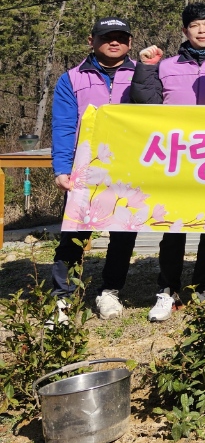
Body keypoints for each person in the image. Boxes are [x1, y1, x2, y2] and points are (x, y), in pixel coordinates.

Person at [131, 2, 205, 321]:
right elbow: (146, 104)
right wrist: (145, 68)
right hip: (176, 159)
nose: (202, 30)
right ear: (185, 30)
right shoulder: (167, 66)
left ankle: (204, 288)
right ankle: (167, 290)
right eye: (195, 25)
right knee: (172, 228)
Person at [50, 17, 138, 319]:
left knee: (123, 234)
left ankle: (110, 292)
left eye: (121, 37)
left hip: (129, 168)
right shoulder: (71, 78)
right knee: (75, 233)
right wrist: (62, 168)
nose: (114, 42)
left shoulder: (143, 74)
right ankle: (62, 298)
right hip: (85, 168)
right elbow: (63, 126)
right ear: (91, 41)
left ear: (129, 42)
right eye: (106, 37)